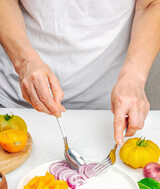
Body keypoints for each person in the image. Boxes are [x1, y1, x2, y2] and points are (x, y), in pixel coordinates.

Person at [0, 0, 160, 145]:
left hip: (109, 109)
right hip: (16, 101)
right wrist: (24, 61)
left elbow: (152, 4)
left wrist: (134, 76)